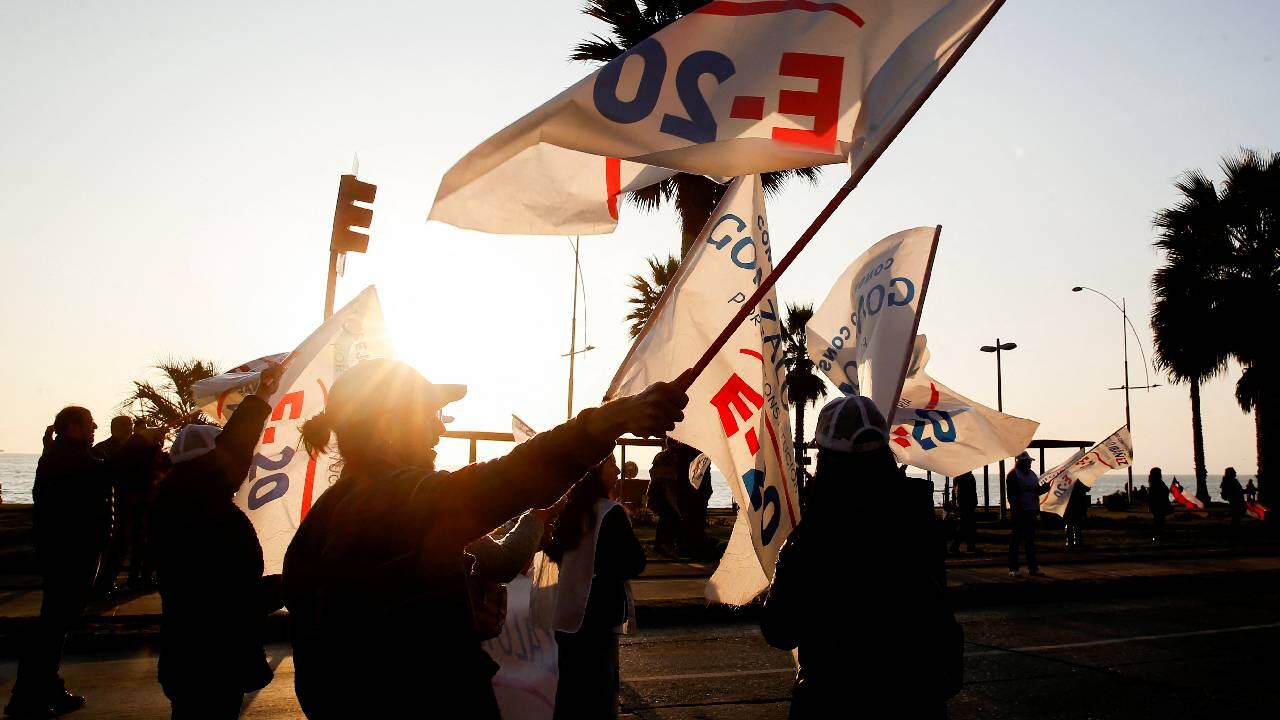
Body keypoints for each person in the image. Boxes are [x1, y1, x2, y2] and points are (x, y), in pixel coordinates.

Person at [281, 359, 688, 719]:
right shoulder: (395, 499)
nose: (440, 427)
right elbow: (511, 478)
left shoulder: (329, 514)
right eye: (430, 413)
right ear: (388, 425)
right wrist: (615, 418)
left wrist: (455, 615)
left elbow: (354, 640)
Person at [761, 396, 961, 718]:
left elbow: (780, 630)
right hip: (917, 700)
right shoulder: (918, 523)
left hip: (832, 701)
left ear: (825, 458)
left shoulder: (814, 538)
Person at [148, 364, 284, 719]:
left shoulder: (173, 500)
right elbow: (228, 594)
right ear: (208, 463)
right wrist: (286, 586)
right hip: (214, 657)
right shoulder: (203, 508)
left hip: (186, 653)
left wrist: (263, 397)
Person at [6, 407, 111, 719]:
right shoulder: (69, 458)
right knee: (52, 626)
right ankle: (27, 697)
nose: (94, 428)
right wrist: (138, 445)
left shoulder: (60, 455)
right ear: (74, 427)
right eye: (90, 423)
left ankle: (46, 687)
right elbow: (107, 471)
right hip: (69, 554)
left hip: (64, 553)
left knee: (55, 624)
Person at [545, 455, 646, 720]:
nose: (616, 469)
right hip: (599, 614)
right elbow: (634, 563)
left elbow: (555, 553)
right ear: (594, 473)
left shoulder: (569, 511)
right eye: (610, 464)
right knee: (599, 695)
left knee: (569, 693)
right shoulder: (610, 512)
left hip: (567, 612)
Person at [95, 424, 164, 595]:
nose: (131, 429)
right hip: (123, 503)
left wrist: (154, 446)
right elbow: (117, 467)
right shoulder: (105, 449)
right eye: (128, 425)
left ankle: (136, 580)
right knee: (119, 545)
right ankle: (105, 585)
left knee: (140, 544)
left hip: (138, 502)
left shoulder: (136, 448)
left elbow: (149, 468)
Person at [1005, 451, 1047, 577]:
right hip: (1020, 512)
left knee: (1030, 541)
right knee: (1016, 541)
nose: (1029, 464)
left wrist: (1045, 488)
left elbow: (1036, 490)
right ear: (1020, 462)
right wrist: (1017, 511)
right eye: (1027, 462)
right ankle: (1014, 568)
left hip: (1031, 511)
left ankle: (1033, 567)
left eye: (1029, 462)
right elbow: (1012, 496)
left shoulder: (1032, 474)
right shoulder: (1013, 475)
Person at [948, 471, 978, 554]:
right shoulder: (966, 477)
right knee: (966, 526)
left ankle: (968, 546)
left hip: (966, 504)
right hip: (966, 504)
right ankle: (956, 546)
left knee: (968, 526)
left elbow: (954, 492)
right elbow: (959, 492)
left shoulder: (962, 477)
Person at [1064, 480, 1090, 550]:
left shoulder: (1071, 481)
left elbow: (1087, 488)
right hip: (1074, 506)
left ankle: (1072, 541)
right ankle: (1074, 541)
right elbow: (1087, 489)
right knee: (1075, 525)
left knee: (1073, 524)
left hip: (1073, 506)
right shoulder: (1080, 481)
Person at [1149, 467, 1172, 544]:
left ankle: (1156, 538)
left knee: (1157, 522)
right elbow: (1164, 492)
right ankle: (1158, 538)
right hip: (1160, 506)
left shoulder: (1153, 483)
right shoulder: (1158, 483)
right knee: (1159, 523)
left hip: (1156, 506)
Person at [1221, 467, 1246, 535]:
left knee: (1236, 517)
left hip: (1236, 500)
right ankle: (1234, 531)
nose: (1235, 473)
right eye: (1234, 472)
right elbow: (1235, 491)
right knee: (1236, 517)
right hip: (1235, 501)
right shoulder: (1231, 481)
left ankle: (1234, 530)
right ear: (1231, 473)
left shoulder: (1228, 481)